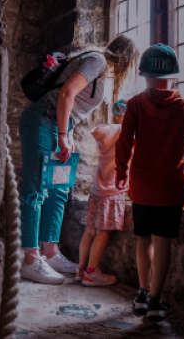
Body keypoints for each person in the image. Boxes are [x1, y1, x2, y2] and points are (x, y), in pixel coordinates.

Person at [19, 35, 139, 284]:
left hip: (60, 124)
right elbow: (66, 94)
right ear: (127, 59)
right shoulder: (98, 61)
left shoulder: (101, 70)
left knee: (59, 189)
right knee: (36, 190)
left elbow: (72, 107)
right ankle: (29, 259)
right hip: (43, 119)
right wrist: (62, 135)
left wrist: (68, 135)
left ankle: (50, 254)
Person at [115, 44, 184, 318]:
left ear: (144, 74)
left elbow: (124, 143)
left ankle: (142, 295)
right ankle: (156, 301)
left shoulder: (134, 105)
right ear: (174, 75)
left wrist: (121, 173)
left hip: (142, 187)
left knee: (143, 240)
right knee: (164, 243)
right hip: (170, 189)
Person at [75, 99, 129, 287]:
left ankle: (80, 269)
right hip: (112, 191)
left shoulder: (104, 133)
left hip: (97, 190)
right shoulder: (126, 135)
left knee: (90, 230)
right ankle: (92, 273)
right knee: (103, 232)